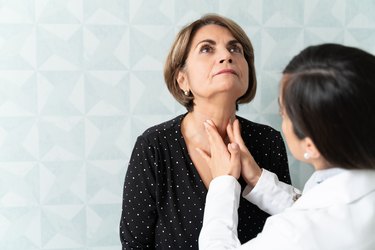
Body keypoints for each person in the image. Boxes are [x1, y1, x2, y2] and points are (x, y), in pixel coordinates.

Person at [119, 14, 291, 249]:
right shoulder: (154, 147)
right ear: (182, 80)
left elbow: (292, 232)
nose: (226, 56)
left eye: (235, 49)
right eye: (207, 49)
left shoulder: (268, 141)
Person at [198, 43, 375, 250]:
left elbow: (312, 226)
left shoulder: (295, 233)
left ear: (311, 144)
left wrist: (223, 183)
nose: (226, 57)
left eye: (283, 114)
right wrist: (258, 180)